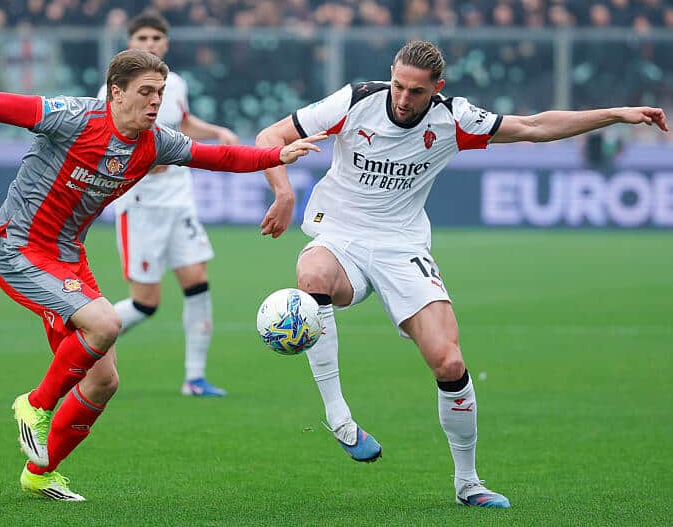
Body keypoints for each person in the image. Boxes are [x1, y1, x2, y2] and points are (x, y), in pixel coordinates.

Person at [0, 49, 324, 502]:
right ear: (116, 92)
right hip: (21, 247)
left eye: (160, 93)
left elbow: (218, 156)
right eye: (145, 92)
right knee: (106, 322)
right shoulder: (71, 117)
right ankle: (36, 405)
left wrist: (276, 153)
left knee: (104, 381)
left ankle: (40, 473)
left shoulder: (155, 143)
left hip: (68, 258)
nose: (154, 102)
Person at [255, 40, 667, 508]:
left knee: (449, 363)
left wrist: (616, 114)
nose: (403, 99)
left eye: (415, 91)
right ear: (389, 75)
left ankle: (468, 483)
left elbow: (533, 127)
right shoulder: (355, 101)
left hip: (402, 246)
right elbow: (270, 137)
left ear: (437, 89)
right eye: (398, 85)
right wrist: (284, 192)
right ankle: (339, 415)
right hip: (340, 237)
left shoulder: (453, 119)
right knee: (311, 273)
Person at [96, 12, 239, 397]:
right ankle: (84, 337)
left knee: (197, 282)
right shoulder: (114, 89)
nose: (150, 43)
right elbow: (108, 141)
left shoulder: (173, 84)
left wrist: (216, 132)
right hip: (140, 204)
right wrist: (145, 161)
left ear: (166, 43)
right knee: (146, 303)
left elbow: (183, 123)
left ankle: (195, 378)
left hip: (179, 199)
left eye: (156, 37)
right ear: (130, 42)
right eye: (142, 37)